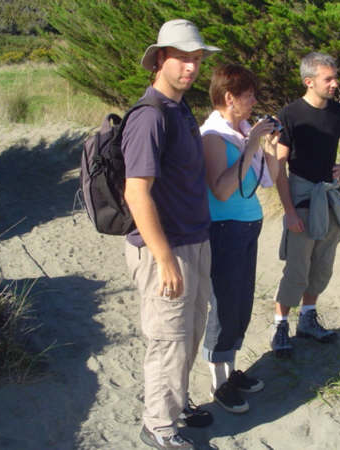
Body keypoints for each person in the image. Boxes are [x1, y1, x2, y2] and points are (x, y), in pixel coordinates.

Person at [122, 19, 220, 450]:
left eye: (196, 59)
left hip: (193, 239)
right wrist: (163, 258)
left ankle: (175, 405)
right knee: (168, 339)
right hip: (165, 248)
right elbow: (136, 192)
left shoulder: (179, 109)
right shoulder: (150, 116)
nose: (191, 67)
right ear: (160, 59)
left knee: (190, 331)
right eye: (182, 58)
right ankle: (158, 426)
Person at [199, 64, 279, 413]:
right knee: (225, 304)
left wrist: (269, 146)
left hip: (247, 225)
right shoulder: (212, 136)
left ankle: (230, 372)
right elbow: (221, 189)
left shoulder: (242, 131)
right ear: (229, 97)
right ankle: (219, 382)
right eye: (248, 95)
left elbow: (268, 179)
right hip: (224, 228)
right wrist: (251, 145)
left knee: (242, 301)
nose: (254, 101)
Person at [270, 52, 340, 358]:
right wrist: (289, 212)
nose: (335, 83)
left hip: (330, 196)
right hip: (302, 196)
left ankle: (307, 319)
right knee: (297, 267)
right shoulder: (290, 115)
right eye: (328, 79)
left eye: (335, 77)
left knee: (322, 264)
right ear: (309, 82)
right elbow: (279, 167)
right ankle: (280, 326)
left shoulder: (337, 112)